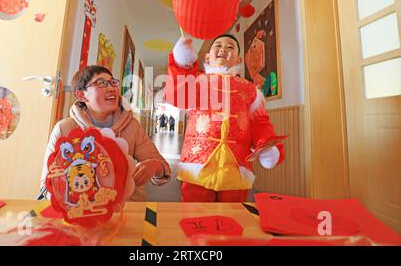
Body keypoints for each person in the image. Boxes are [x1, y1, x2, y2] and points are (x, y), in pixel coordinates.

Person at [165, 34, 285, 202]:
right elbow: (177, 96)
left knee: (233, 217)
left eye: (230, 47)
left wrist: (266, 145)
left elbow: (260, 123)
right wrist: (181, 64)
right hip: (197, 165)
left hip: (235, 168)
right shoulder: (197, 81)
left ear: (238, 60)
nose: (223, 49)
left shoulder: (250, 90)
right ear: (207, 57)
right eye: (218, 46)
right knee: (194, 217)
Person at [38, 65, 171, 201]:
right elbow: (47, 184)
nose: (112, 88)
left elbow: (163, 170)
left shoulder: (132, 127)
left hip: (126, 206)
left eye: (113, 82)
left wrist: (155, 166)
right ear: (81, 95)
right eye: (101, 83)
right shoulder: (65, 129)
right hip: (79, 209)